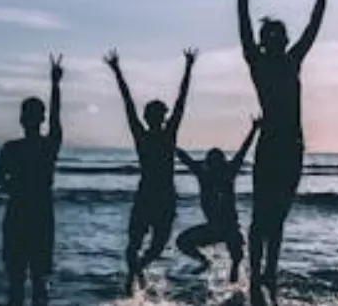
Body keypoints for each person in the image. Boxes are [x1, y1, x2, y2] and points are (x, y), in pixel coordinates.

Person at [238, 0, 328, 305]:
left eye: (279, 36)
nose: (274, 40)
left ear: (284, 40)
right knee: (261, 217)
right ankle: (254, 278)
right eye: (269, 37)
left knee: (277, 218)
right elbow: (243, 24)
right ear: (264, 42)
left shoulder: (293, 60)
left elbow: (314, 25)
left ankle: (269, 276)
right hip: (270, 146)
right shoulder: (257, 63)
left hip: (293, 147)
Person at [104, 47, 196, 293]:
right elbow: (128, 103)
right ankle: (133, 275)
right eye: (153, 114)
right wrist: (117, 71)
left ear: (160, 117)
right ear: (149, 117)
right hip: (150, 195)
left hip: (161, 196)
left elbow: (180, 102)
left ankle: (136, 271)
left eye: (158, 114)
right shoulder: (145, 136)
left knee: (154, 247)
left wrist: (188, 68)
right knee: (135, 244)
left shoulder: (166, 135)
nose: (155, 117)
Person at [0, 54, 64, 306]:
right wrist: (55, 85)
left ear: (22, 119)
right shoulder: (46, 146)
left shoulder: (14, 148)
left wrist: (55, 85)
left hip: (21, 213)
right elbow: (56, 116)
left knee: (20, 281)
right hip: (37, 214)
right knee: (36, 280)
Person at [175, 117, 261, 282]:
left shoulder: (226, 173)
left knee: (236, 258)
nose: (215, 167)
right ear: (209, 164)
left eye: (217, 163)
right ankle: (205, 262)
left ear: (221, 163)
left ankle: (235, 281)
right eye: (212, 164)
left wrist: (254, 130)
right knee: (182, 242)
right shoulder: (205, 174)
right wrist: (170, 143)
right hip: (213, 228)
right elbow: (185, 158)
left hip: (230, 227)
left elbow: (243, 151)